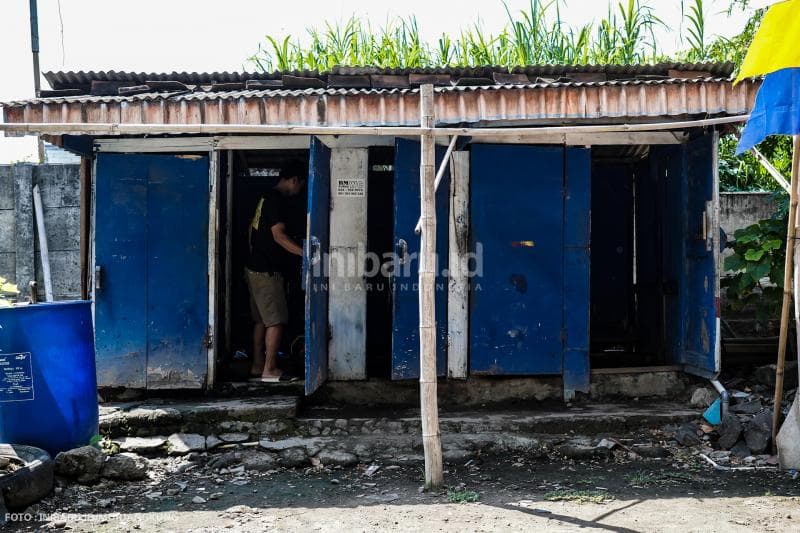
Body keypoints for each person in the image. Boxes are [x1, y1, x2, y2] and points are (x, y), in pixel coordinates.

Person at [246, 166, 305, 382]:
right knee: (276, 321)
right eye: (301, 184)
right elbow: (279, 236)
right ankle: (269, 370)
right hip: (267, 271)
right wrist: (306, 254)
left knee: (261, 320)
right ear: (294, 179)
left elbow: (250, 232)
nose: (300, 190)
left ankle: (257, 366)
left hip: (254, 267)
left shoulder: (264, 198)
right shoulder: (276, 200)